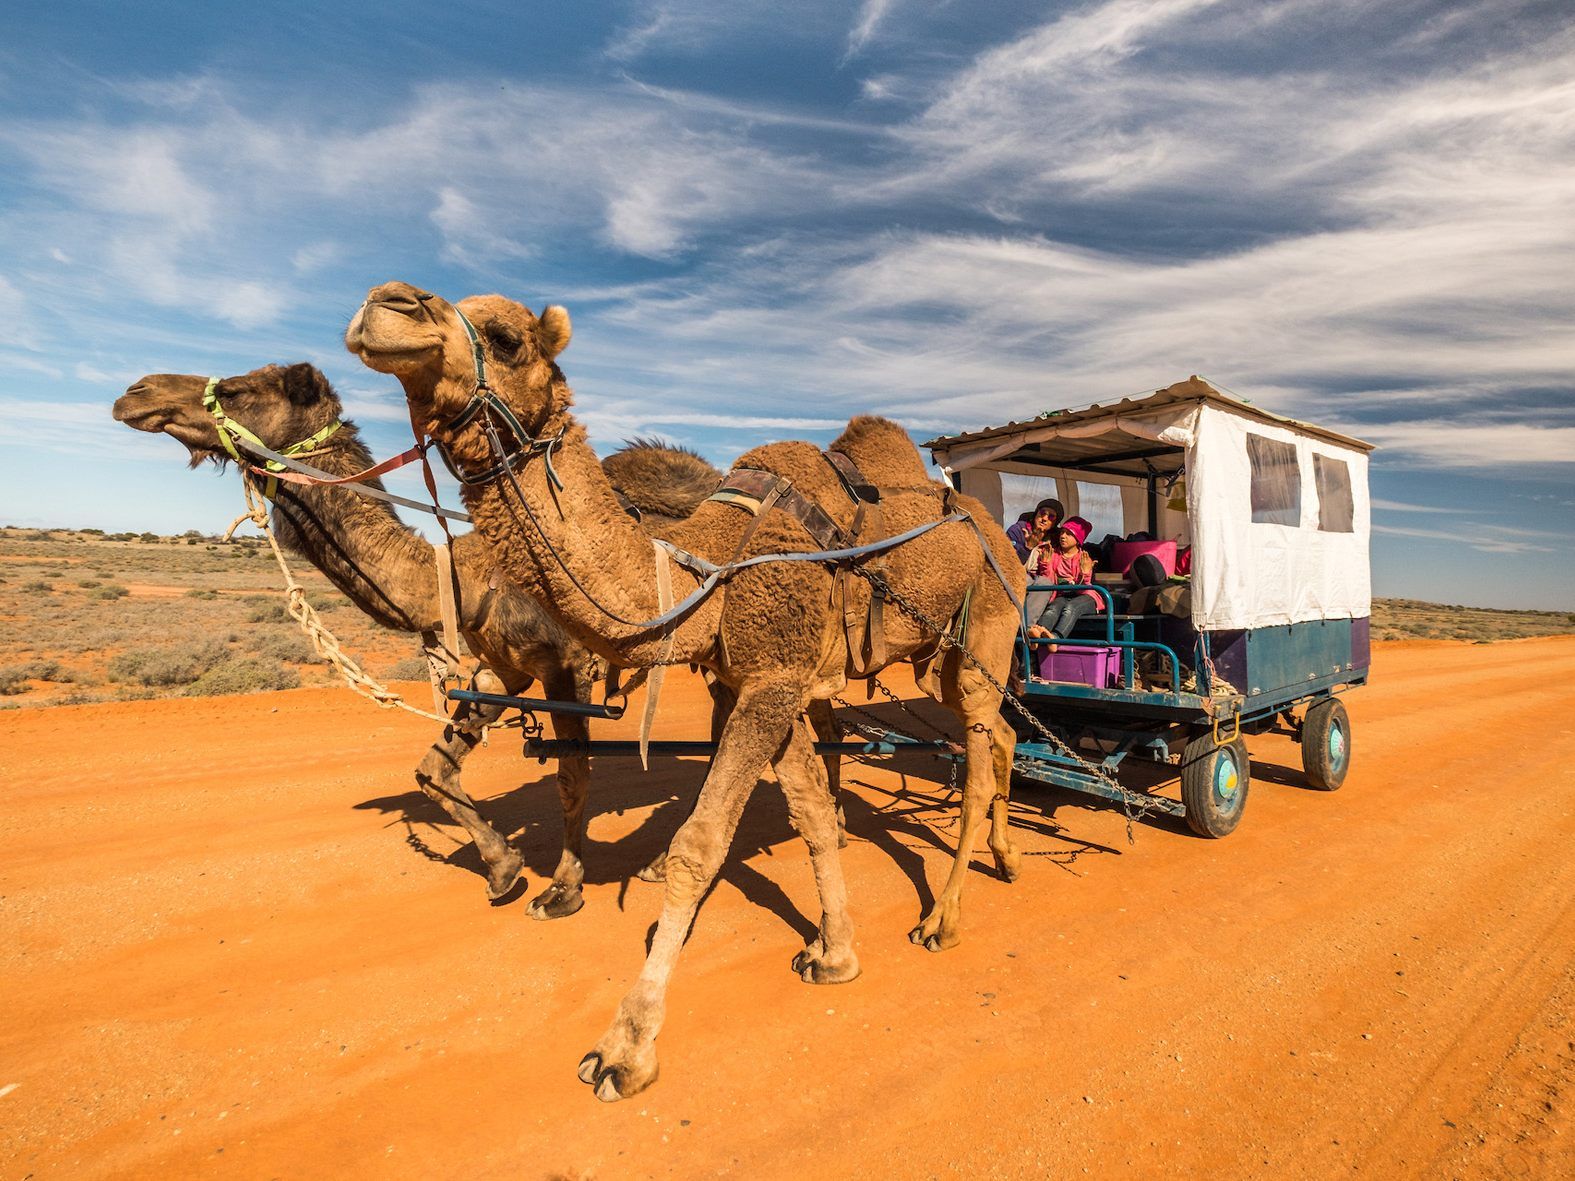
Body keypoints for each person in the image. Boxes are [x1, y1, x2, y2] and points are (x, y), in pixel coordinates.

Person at [1026, 516, 1099, 640]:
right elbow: (1049, 583)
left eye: (1069, 534)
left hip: (1084, 597)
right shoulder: (1054, 555)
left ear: (1078, 539)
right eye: (1062, 532)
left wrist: (1086, 573)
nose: (1063, 536)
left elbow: (1084, 589)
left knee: (1070, 609)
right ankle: (1038, 632)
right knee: (1053, 608)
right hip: (1062, 597)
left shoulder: (1083, 558)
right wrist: (1046, 565)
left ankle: (1056, 638)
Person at [1005, 497, 1064, 563]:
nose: (1044, 518)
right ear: (1036, 514)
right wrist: (1028, 547)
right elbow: (1008, 561)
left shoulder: (1057, 540)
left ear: (1055, 523)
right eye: (1042, 513)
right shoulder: (1017, 531)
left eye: (1051, 517)